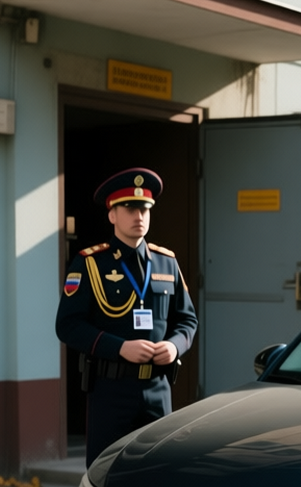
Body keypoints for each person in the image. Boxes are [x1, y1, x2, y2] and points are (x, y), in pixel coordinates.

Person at [57, 167, 198, 467]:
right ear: (112, 215)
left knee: (159, 471)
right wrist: (120, 347)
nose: (139, 216)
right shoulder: (91, 263)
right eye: (130, 208)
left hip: (158, 389)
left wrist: (174, 346)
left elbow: (187, 321)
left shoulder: (166, 262)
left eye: (145, 209)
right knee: (106, 472)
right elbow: (68, 326)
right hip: (111, 390)